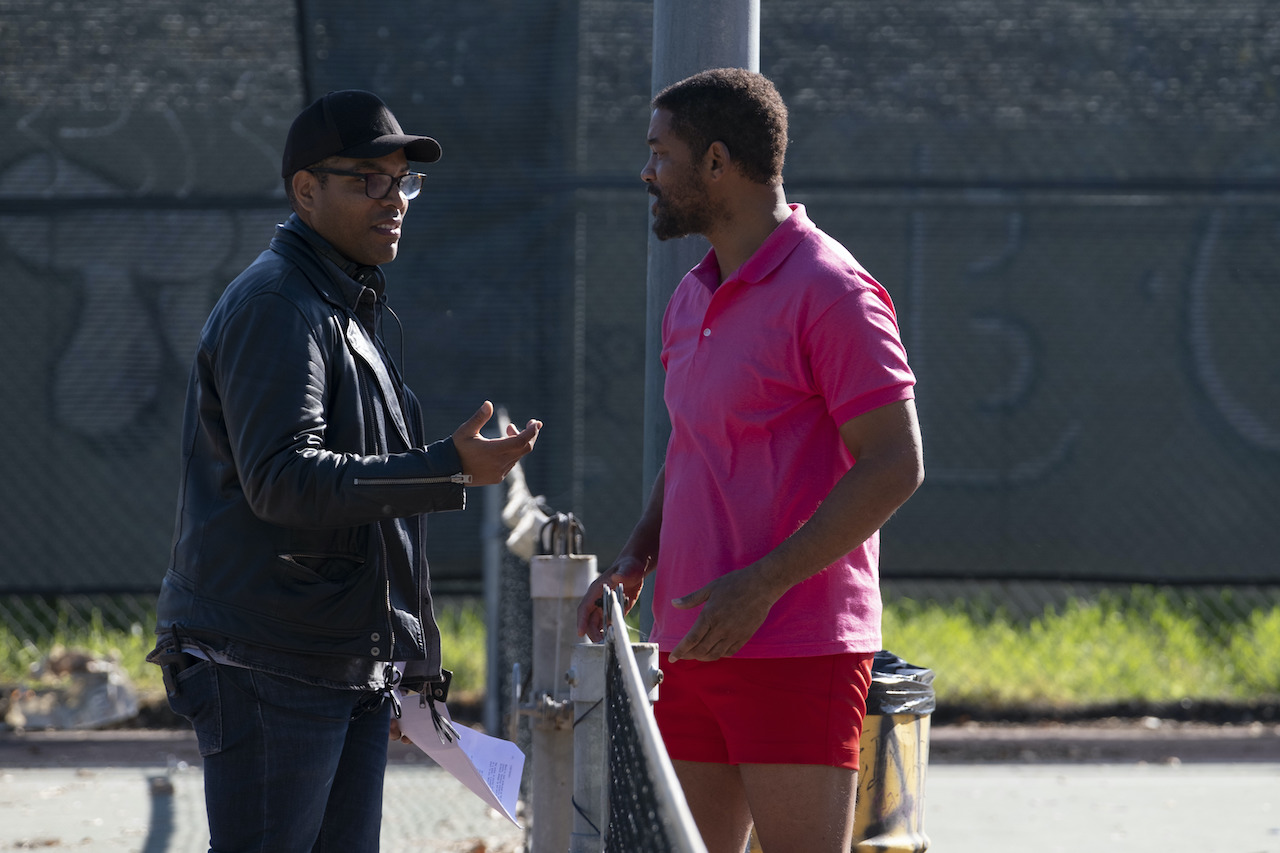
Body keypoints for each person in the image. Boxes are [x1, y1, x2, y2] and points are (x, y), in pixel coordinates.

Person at [148, 89, 541, 853]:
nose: (392, 199)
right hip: (268, 663)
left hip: (336, 663)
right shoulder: (278, 304)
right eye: (368, 179)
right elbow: (284, 478)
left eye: (402, 182)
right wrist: (447, 468)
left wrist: (403, 661)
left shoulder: (338, 301)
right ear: (306, 190)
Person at [577, 69, 924, 853]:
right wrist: (637, 554)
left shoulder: (833, 289)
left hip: (798, 646)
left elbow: (897, 462)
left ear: (716, 163)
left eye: (659, 153)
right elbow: (694, 444)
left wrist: (762, 584)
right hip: (693, 642)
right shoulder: (691, 294)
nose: (646, 172)